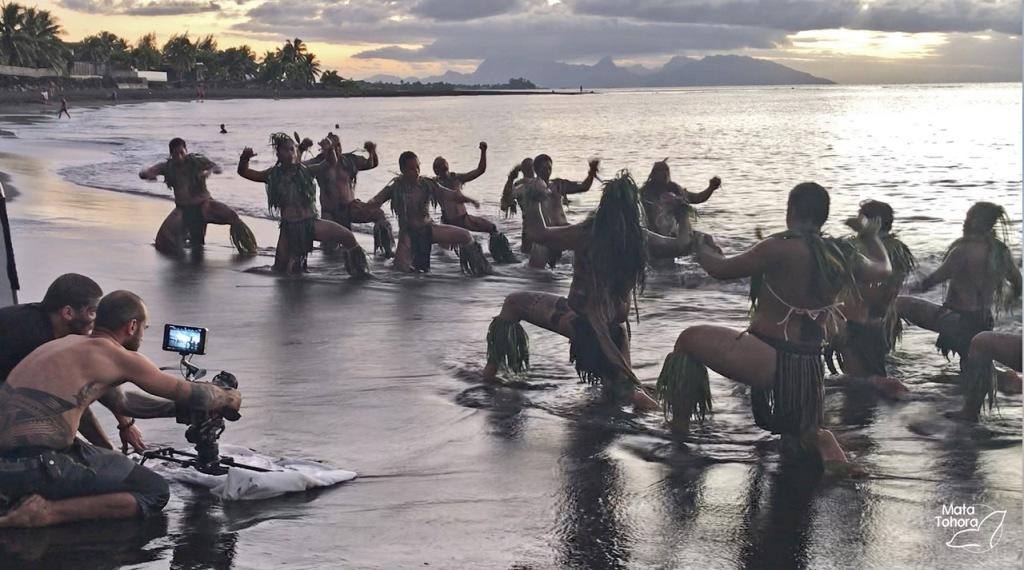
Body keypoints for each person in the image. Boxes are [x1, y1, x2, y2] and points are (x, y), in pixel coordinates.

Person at [655, 182, 890, 475]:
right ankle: (826, 449)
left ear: (790, 211)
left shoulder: (779, 247)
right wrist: (871, 237)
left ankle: (677, 434)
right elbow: (884, 269)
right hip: (808, 367)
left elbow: (722, 269)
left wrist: (698, 248)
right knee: (799, 438)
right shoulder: (841, 253)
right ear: (823, 217)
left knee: (688, 339)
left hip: (771, 359)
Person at [0, 291, 242, 527]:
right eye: (144, 330)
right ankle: (44, 513)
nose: (142, 337)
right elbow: (194, 393)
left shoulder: (68, 344)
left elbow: (124, 403)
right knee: (154, 490)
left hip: (13, 460)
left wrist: (182, 411)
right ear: (132, 326)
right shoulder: (119, 357)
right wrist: (227, 396)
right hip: (33, 463)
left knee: (115, 461)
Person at [483, 171, 660, 410]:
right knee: (621, 387)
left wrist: (533, 199)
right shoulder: (638, 239)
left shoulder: (590, 233)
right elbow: (678, 245)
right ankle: (653, 417)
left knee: (626, 390)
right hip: (616, 325)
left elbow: (539, 234)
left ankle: (487, 381)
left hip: (584, 323)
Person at [897, 202, 1021, 421]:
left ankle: (881, 363)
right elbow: (1017, 282)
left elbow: (933, 280)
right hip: (983, 320)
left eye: (967, 217)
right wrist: (1011, 298)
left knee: (902, 304)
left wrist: (908, 285)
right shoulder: (999, 251)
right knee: (971, 366)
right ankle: (1004, 380)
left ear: (973, 222)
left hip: (956, 321)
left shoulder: (962, 251)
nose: (964, 221)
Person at [0, 274, 144, 454]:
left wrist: (126, 424)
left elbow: (97, 376)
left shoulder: (52, 325)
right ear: (68, 313)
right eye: (93, 312)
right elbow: (74, 403)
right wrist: (109, 451)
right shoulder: (36, 339)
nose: (97, 320)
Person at [237, 133, 370, 277]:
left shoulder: (306, 171)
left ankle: (360, 271)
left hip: (310, 224)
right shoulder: (272, 174)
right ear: (278, 154)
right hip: (288, 229)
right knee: (280, 269)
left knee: (348, 236)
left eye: (292, 149)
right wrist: (244, 159)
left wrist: (330, 149)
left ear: (296, 152)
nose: (290, 153)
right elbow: (244, 172)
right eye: (285, 150)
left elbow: (329, 163)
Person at [825, 200, 915, 399]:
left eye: (860, 216)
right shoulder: (896, 249)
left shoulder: (861, 249)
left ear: (870, 222)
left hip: (859, 325)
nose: (856, 220)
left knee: (862, 385)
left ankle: (891, 391)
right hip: (877, 321)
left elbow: (884, 290)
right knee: (865, 385)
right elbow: (891, 289)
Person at [365, 151, 490, 275]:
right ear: (402, 169)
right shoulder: (394, 188)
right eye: (411, 169)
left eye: (418, 167)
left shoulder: (427, 184)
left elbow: (449, 194)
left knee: (466, 236)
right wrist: (367, 206)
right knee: (400, 273)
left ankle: (481, 270)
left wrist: (469, 200)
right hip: (408, 234)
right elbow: (376, 200)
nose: (416, 172)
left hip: (428, 229)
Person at [140, 138, 258, 256]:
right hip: (183, 210)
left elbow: (217, 167)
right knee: (163, 241)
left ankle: (249, 249)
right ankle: (186, 249)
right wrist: (148, 175)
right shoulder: (167, 167)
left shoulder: (196, 162)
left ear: (186, 150)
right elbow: (146, 172)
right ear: (171, 154)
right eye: (176, 154)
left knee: (233, 216)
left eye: (182, 152)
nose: (179, 157)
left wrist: (208, 172)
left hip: (205, 205)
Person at [305, 133, 394, 257]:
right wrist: (301, 149)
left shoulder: (349, 161)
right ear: (324, 148)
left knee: (379, 214)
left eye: (338, 145)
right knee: (329, 252)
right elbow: (298, 168)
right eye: (332, 146)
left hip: (351, 208)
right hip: (330, 212)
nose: (336, 149)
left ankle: (387, 251)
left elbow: (371, 164)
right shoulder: (318, 163)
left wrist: (372, 150)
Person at [432, 142, 516, 263]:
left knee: (492, 228)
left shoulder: (457, 178)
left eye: (444, 163)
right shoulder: (434, 185)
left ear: (448, 166)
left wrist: (483, 151)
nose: (443, 166)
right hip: (448, 223)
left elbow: (480, 170)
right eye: (439, 166)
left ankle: (501, 258)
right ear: (435, 170)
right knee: (444, 254)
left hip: (464, 219)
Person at [526, 155, 600, 268]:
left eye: (549, 168)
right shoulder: (532, 188)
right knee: (537, 272)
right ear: (536, 170)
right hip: (546, 235)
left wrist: (591, 172)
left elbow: (584, 187)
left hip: (563, 230)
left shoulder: (558, 184)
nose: (547, 171)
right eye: (544, 169)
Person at [640, 160, 721, 238]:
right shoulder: (645, 191)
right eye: (660, 171)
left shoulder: (674, 188)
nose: (664, 174)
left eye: (666, 171)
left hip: (674, 230)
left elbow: (697, 198)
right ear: (654, 174)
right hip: (653, 231)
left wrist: (711, 188)